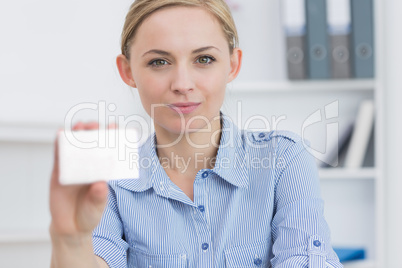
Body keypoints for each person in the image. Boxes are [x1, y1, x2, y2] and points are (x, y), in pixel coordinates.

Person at [49, 0, 343, 267]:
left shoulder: (284, 159)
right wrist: (70, 240)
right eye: (158, 62)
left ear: (233, 64)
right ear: (127, 72)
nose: (182, 83)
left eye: (203, 59)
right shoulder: (111, 181)